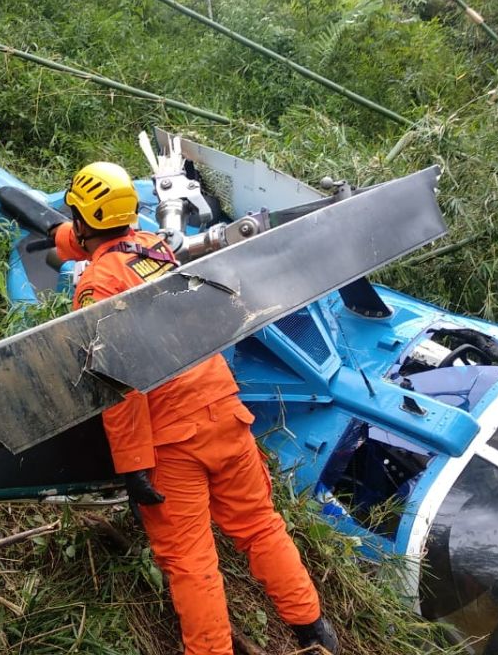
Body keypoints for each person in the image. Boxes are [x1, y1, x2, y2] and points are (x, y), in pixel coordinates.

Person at [51, 162, 340, 655]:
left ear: (82, 220)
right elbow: (99, 238)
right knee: (260, 526)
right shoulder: (156, 249)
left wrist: (134, 463)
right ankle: (312, 628)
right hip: (225, 414)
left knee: (190, 560)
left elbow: (117, 383)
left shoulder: (98, 288)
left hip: (171, 438)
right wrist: (73, 230)